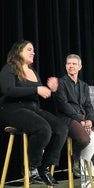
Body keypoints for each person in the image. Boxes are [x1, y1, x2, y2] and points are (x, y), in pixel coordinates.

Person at [0, 40, 68, 186]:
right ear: (18, 52)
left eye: (34, 50)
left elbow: (38, 95)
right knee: (43, 128)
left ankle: (44, 168)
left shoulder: (34, 72)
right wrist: (37, 89)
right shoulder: (9, 68)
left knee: (61, 128)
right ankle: (31, 169)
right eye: (29, 49)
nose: (33, 52)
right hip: (13, 109)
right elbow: (8, 90)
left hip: (33, 109)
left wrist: (50, 90)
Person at [54, 54, 94, 188]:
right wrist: (79, 119)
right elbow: (63, 105)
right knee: (84, 139)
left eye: (74, 64)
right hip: (67, 119)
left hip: (82, 120)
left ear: (80, 67)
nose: (71, 66)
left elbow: (89, 106)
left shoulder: (84, 85)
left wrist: (90, 120)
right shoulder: (61, 83)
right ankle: (75, 158)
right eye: (68, 63)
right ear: (65, 66)